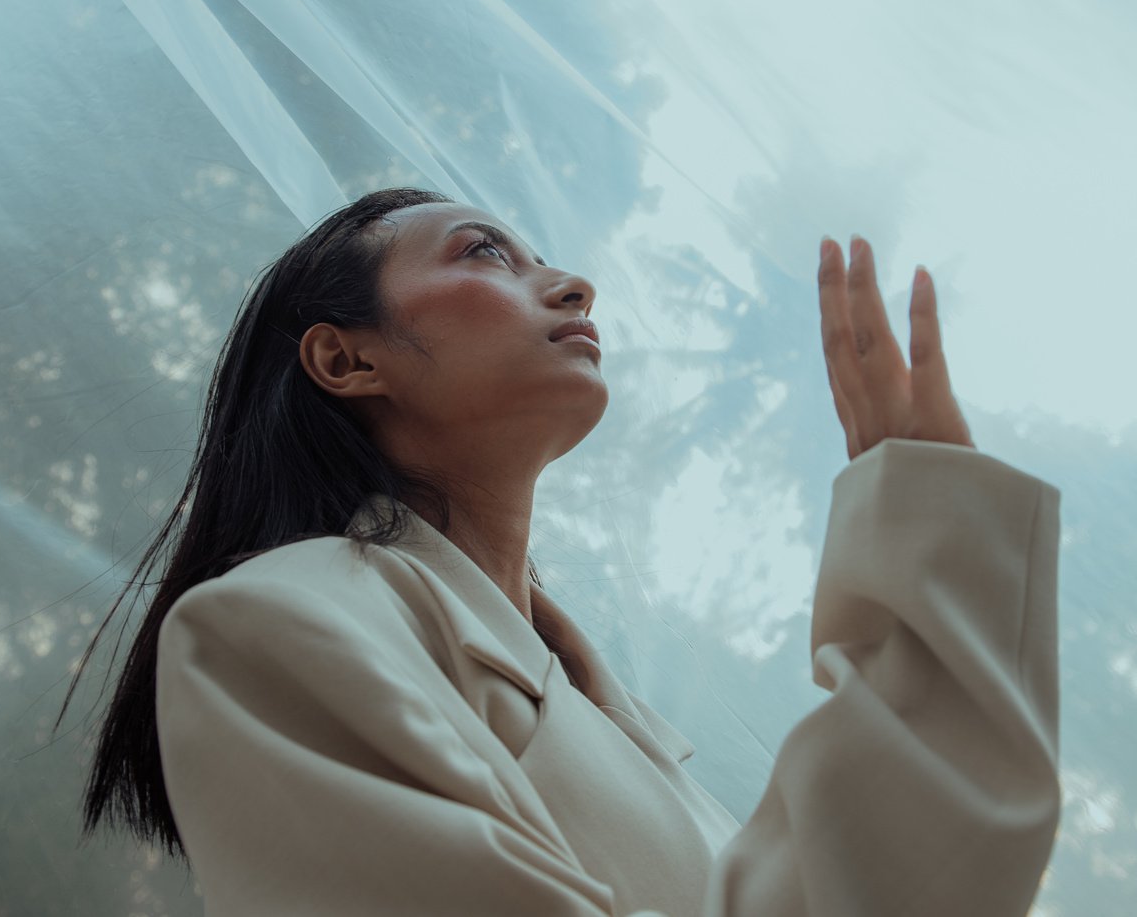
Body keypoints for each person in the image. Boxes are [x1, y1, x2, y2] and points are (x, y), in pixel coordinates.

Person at [58, 185, 1062, 915]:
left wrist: (935, 553)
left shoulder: (626, 732)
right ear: (344, 356)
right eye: (485, 252)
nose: (575, 285)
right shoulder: (267, 626)